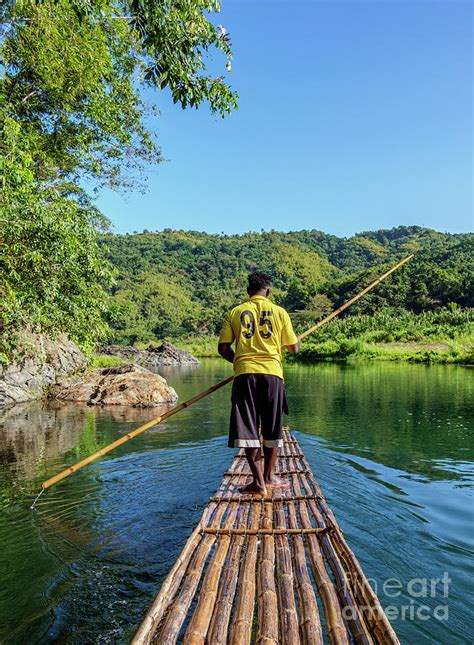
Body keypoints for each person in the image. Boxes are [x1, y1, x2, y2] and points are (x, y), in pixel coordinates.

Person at [218, 271, 300, 495]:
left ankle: (259, 483)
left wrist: (241, 362)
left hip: (245, 376)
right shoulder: (280, 312)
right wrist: (296, 340)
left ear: (248, 291)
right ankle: (269, 477)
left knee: (248, 430)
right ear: (269, 291)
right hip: (273, 375)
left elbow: (223, 348)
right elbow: (294, 347)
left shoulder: (234, 313)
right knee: (272, 430)